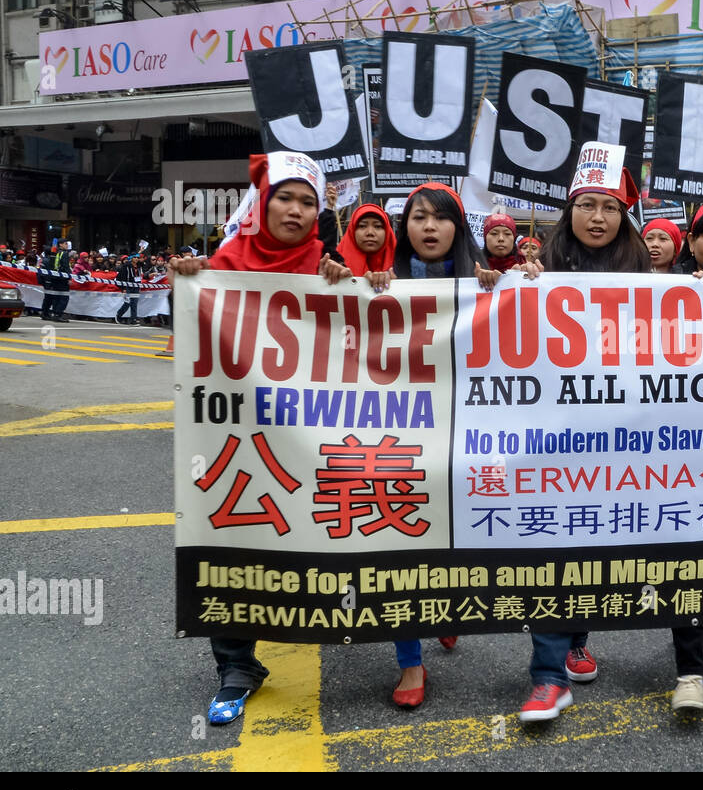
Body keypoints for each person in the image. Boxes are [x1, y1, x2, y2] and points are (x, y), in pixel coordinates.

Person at [524, 143, 703, 719]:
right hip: (563, 446)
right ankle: (549, 676)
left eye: (609, 206)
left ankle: (690, 670)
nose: (598, 217)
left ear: (623, 216)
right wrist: (507, 287)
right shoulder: (536, 277)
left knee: (672, 549)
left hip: (642, 445)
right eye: (587, 206)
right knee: (560, 553)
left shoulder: (659, 283)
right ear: (570, 212)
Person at [169, 151, 352, 725]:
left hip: (316, 438)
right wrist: (192, 286)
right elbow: (193, 358)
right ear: (261, 203)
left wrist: (352, 287)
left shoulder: (328, 268)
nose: (296, 211)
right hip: (242, 440)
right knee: (232, 539)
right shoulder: (220, 266)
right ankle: (236, 665)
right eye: (285, 197)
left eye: (307, 202)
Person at [386, 182, 501, 704]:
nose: (429, 227)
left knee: (456, 534)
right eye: (418, 217)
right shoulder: (378, 282)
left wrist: (520, 283)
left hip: (466, 436)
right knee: (399, 539)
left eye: (440, 217)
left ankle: (446, 605)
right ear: (403, 227)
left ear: (458, 227)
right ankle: (410, 663)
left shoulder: (485, 283)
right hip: (400, 433)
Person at [335, 202, 396, 284]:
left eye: (378, 226)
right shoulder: (334, 266)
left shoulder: (405, 266)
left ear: (388, 232)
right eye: (362, 226)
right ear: (352, 231)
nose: (370, 232)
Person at [41, 238, 70, 322]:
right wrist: (69, 277)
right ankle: (58, 314)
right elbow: (65, 267)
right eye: (65, 243)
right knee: (64, 297)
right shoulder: (64, 254)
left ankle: (55, 314)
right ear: (60, 244)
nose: (67, 245)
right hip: (62, 278)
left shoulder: (55, 252)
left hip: (55, 277)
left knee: (56, 296)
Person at [115, 254, 141, 325]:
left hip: (136, 286)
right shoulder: (126, 266)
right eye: (134, 257)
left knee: (134, 303)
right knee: (127, 302)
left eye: (137, 258)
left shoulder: (139, 266)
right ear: (131, 258)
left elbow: (139, 276)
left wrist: (139, 286)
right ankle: (119, 315)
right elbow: (122, 277)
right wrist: (123, 288)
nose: (136, 259)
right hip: (127, 286)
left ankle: (133, 319)